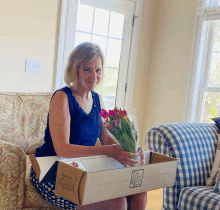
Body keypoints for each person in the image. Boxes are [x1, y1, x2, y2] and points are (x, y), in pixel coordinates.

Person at [31, 42, 147, 210]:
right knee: (118, 202)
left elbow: (106, 140)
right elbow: (63, 149)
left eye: (98, 70)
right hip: (53, 170)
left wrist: (130, 149)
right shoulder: (62, 97)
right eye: (87, 69)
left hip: (83, 168)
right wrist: (109, 151)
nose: (94, 75)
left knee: (140, 192)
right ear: (75, 69)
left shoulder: (97, 99)